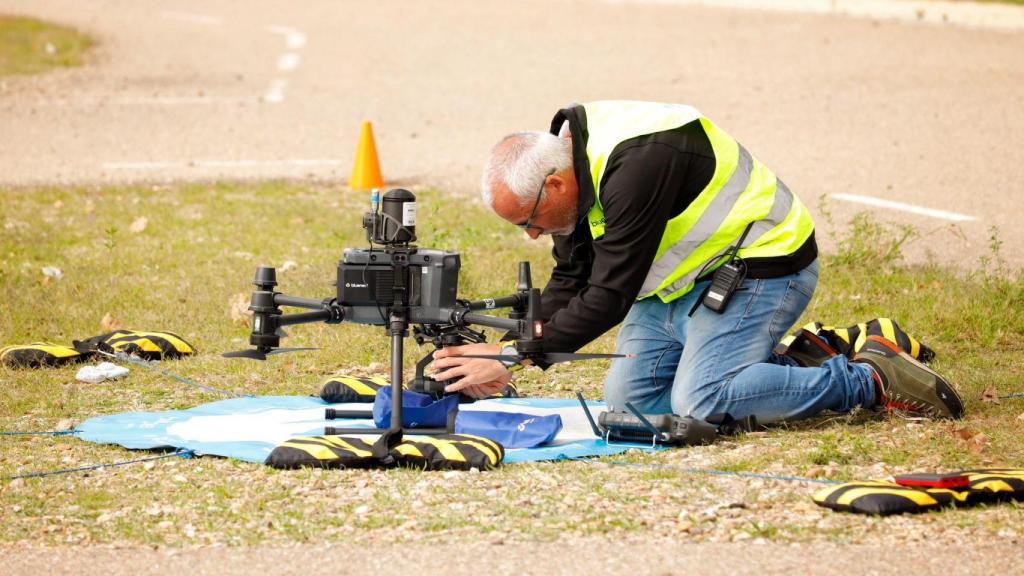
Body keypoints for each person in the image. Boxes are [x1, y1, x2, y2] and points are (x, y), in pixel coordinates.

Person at [432, 100, 963, 423]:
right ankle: (796, 363)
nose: (531, 234)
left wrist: (514, 357)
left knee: (701, 401)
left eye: (530, 218)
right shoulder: (570, 165)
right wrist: (505, 344)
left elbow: (609, 294)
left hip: (761, 265)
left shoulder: (635, 166)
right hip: (686, 284)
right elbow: (574, 276)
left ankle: (870, 379)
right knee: (632, 408)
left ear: (554, 182)